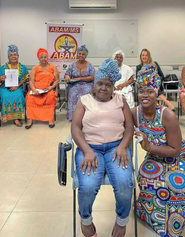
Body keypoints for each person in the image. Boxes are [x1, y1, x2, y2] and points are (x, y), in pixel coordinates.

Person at [133, 64, 185, 237]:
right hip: (156, 157)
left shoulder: (167, 115)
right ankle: (150, 213)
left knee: (177, 185)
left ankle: (175, 220)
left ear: (157, 94)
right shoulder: (134, 113)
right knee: (146, 177)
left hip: (180, 157)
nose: (145, 95)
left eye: (150, 91)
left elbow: (175, 149)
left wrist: (149, 147)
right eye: (141, 91)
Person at [71, 58, 134, 237]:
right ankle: (86, 220)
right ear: (94, 83)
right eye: (100, 83)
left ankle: (121, 222)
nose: (103, 88)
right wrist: (87, 151)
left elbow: (129, 127)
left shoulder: (120, 100)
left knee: (124, 184)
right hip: (90, 149)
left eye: (108, 84)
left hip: (117, 148)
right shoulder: (84, 101)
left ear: (113, 86)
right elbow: (75, 128)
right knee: (88, 186)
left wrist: (123, 146)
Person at [0, 45, 29, 126]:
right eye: (11, 55)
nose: (13, 57)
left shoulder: (22, 67)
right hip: (4, 88)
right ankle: (6, 116)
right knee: (5, 96)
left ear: (18, 56)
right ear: (8, 57)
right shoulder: (3, 67)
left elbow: (26, 78)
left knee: (18, 95)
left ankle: (16, 118)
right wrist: (1, 79)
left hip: (17, 87)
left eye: (15, 55)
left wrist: (17, 85)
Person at [25, 48, 59, 129]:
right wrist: (33, 89)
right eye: (41, 57)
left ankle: (50, 119)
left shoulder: (53, 67)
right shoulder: (35, 68)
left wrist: (51, 87)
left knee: (50, 97)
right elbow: (31, 81)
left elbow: (57, 80)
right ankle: (30, 119)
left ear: (47, 58)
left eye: (45, 57)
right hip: (37, 90)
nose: (43, 59)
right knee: (30, 97)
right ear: (39, 59)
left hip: (48, 89)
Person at [64, 45, 95, 121]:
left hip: (87, 84)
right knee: (73, 93)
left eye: (83, 54)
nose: (81, 55)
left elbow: (92, 77)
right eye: (79, 53)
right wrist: (67, 76)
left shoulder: (90, 65)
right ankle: (73, 117)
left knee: (87, 92)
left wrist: (80, 78)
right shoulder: (72, 65)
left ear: (86, 55)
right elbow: (67, 74)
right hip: (74, 85)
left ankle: (87, 116)